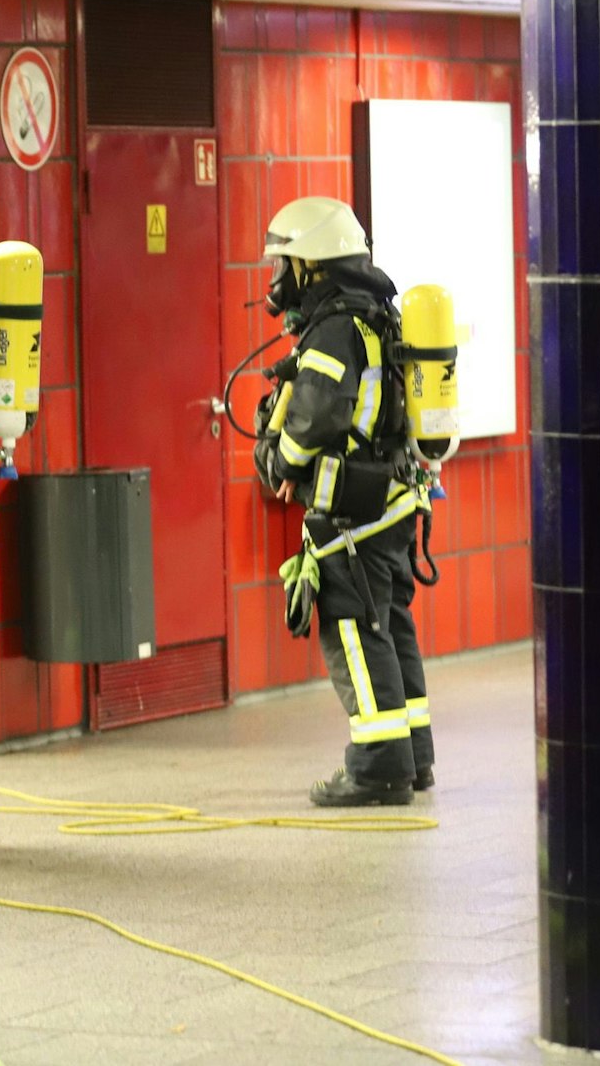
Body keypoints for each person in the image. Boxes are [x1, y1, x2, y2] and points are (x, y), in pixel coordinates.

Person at [253, 196, 434, 807]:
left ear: (311, 265)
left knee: (353, 628)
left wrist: (280, 461)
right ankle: (415, 756)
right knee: (392, 625)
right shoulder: (375, 314)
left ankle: (379, 764)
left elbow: (316, 415)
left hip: (355, 511)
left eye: (285, 264)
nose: (278, 279)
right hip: (395, 501)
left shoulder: (333, 329)